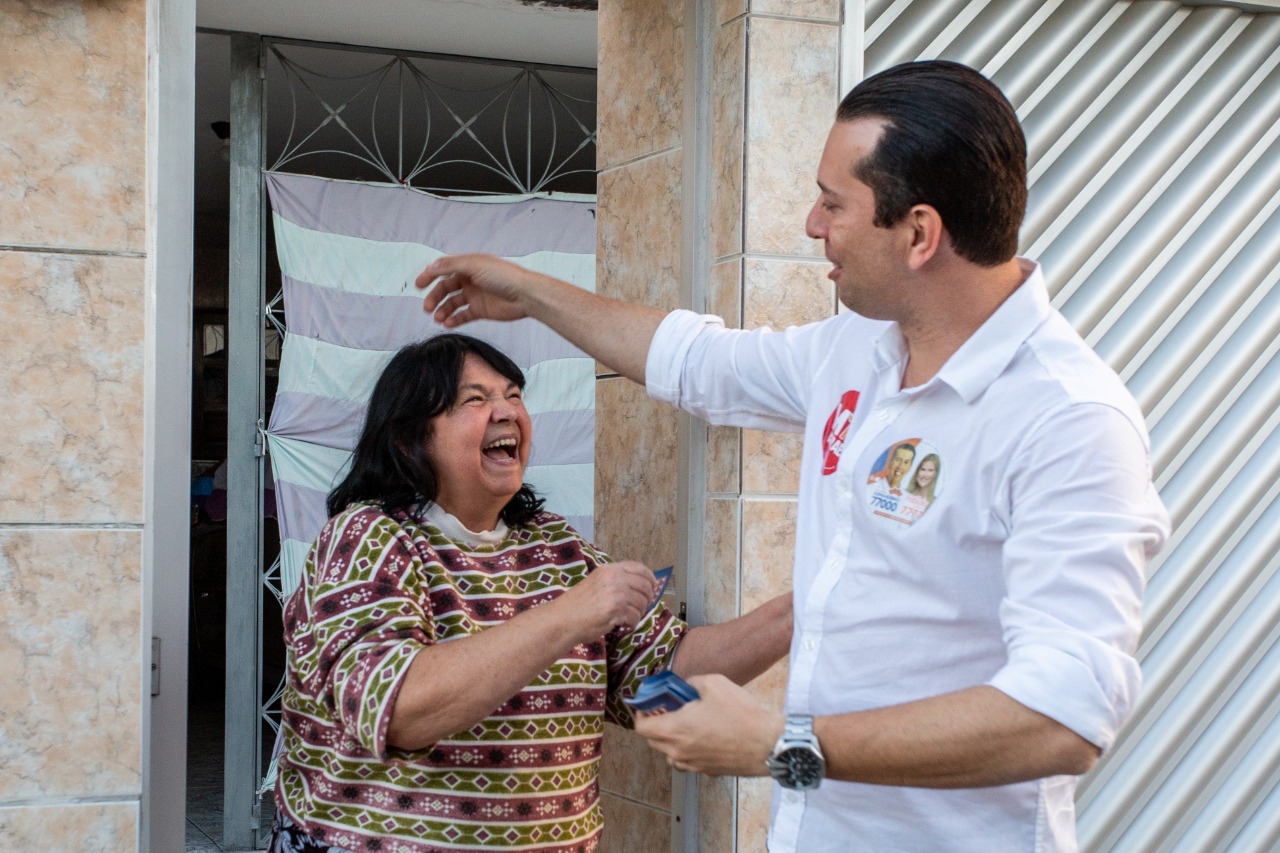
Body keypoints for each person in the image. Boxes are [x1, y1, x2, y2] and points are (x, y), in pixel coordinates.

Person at [414, 60, 1170, 852]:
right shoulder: (860, 350)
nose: (812, 223)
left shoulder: (1068, 417)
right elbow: (696, 362)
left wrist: (785, 741)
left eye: (834, 203)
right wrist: (532, 292)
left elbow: (1063, 714)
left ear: (919, 234)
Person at [269, 333, 792, 852]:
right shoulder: (369, 538)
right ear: (410, 439)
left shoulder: (558, 546)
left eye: (514, 395)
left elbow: (664, 671)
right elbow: (399, 710)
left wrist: (804, 611)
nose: (506, 412)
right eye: (475, 399)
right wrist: (572, 614)